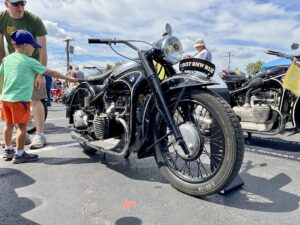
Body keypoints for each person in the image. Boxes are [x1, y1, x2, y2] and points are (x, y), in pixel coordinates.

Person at [0, 30, 77, 164]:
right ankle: (19, 153)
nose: (34, 48)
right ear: (25, 45)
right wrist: (68, 78)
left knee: (8, 125)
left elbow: (2, 72)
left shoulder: (6, 59)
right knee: (22, 128)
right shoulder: (29, 61)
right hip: (20, 100)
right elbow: (50, 72)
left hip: (5, 98)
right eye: (33, 46)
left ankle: (8, 150)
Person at [0, 0, 49, 149]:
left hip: (32, 65)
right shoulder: (2, 18)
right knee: (13, 100)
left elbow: (42, 50)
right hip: (13, 65)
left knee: (35, 99)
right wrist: (4, 69)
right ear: (6, 3)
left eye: (23, 3)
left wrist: (41, 74)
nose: (20, 7)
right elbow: (0, 49)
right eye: (16, 4)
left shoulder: (34, 20)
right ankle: (23, 135)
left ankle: (39, 134)